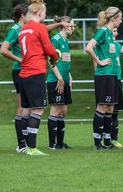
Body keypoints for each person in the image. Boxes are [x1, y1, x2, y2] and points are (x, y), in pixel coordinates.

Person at [18, 0, 59, 156]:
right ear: (40, 12)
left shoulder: (23, 29)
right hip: (35, 72)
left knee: (26, 111)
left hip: (24, 73)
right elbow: (50, 49)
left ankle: (25, 145)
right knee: (38, 110)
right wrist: (55, 56)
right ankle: (32, 148)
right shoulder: (40, 28)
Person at [85, 7, 122, 150]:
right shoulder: (103, 31)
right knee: (102, 106)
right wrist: (99, 61)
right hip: (104, 75)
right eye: (119, 17)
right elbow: (88, 47)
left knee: (110, 107)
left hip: (112, 75)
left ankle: (107, 141)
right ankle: (97, 142)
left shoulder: (110, 35)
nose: (121, 20)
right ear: (112, 18)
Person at [0, 4, 29, 153]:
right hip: (19, 71)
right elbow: (3, 49)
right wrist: (19, 59)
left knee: (28, 107)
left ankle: (27, 142)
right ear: (23, 15)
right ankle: (21, 144)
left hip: (28, 71)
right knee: (22, 107)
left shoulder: (26, 29)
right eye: (28, 13)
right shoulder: (15, 30)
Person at [47, 16, 75, 150]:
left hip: (64, 80)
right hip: (56, 80)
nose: (73, 28)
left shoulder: (66, 41)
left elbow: (64, 61)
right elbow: (50, 61)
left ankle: (60, 143)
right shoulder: (55, 39)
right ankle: (52, 144)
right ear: (65, 25)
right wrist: (59, 78)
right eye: (72, 25)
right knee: (55, 109)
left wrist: (69, 77)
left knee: (63, 111)